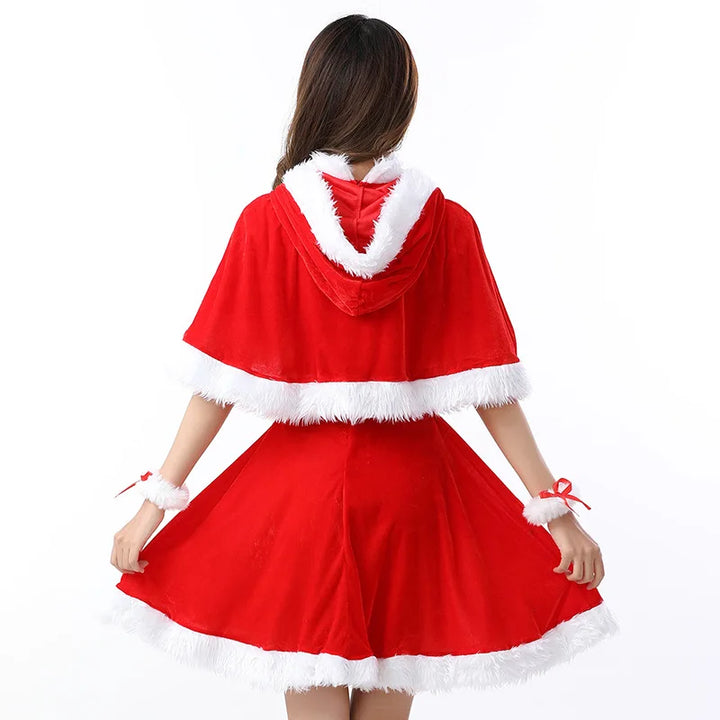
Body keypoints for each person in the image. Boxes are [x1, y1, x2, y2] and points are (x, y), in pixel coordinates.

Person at [104, 13, 620, 720]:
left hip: (300, 497)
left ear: (316, 94)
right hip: (413, 494)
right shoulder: (446, 224)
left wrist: (152, 507)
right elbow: (492, 390)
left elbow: (216, 384)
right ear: (401, 101)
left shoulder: (268, 221)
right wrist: (554, 513)